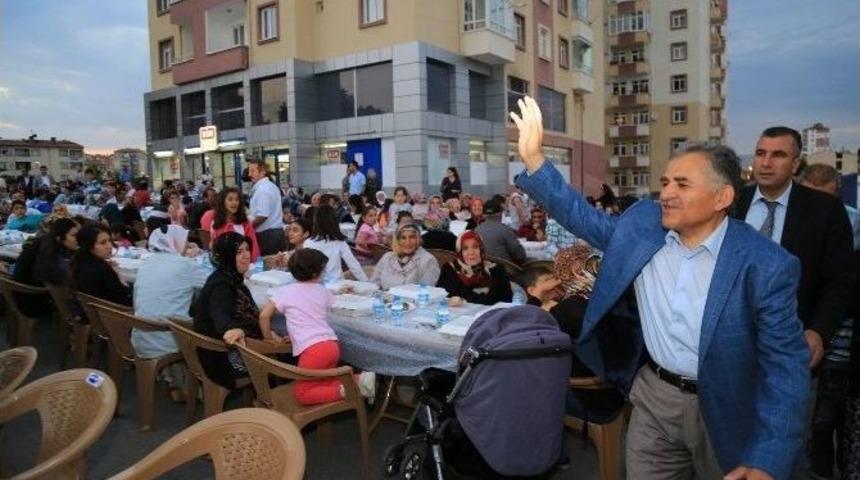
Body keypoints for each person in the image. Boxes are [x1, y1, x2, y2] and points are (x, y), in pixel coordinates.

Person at [511, 96, 809, 479]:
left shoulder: (766, 264)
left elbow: (786, 368)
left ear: (722, 197)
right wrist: (535, 159)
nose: (666, 193)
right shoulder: (643, 227)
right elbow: (582, 216)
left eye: (682, 184)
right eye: (666, 182)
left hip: (727, 402)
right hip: (653, 396)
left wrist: (768, 459)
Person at [734, 127, 854, 374]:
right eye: (760, 153)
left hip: (793, 346)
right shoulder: (732, 203)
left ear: (795, 164)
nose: (766, 163)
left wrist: (818, 331)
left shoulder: (826, 209)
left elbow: (840, 280)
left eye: (778, 155)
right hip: (732, 344)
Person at [797, 163, 859, 478]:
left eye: (827, 200)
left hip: (845, 353)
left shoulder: (853, 223)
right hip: (810, 354)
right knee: (816, 431)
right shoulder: (793, 223)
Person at [259, 248, 375, 405]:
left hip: (313, 351)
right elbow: (316, 312)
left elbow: (264, 316)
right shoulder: (323, 291)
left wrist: (269, 339)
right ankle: (360, 380)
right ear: (315, 273)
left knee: (303, 393)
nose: (325, 273)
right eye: (323, 270)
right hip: (331, 345)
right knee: (322, 381)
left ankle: (347, 390)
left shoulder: (283, 292)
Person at [133, 224, 208, 401]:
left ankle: (172, 381)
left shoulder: (147, 262)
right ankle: (195, 385)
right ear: (176, 242)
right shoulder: (185, 265)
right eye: (185, 241)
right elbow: (211, 284)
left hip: (140, 336)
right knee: (207, 321)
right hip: (169, 338)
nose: (187, 245)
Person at [193, 233, 262, 389]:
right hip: (223, 359)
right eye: (239, 252)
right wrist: (232, 328)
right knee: (289, 356)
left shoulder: (224, 276)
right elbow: (220, 314)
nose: (247, 256)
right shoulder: (222, 286)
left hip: (214, 352)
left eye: (247, 249)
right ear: (227, 256)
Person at [436, 231, 512, 306]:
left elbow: (507, 300)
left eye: (475, 247)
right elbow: (439, 296)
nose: (471, 252)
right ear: (460, 252)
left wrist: (465, 298)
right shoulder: (449, 269)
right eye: (465, 248)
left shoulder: (496, 269)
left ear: (481, 249)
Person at [303, 205, 368, 283]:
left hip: (317, 285)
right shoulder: (340, 243)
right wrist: (367, 282)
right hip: (337, 285)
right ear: (335, 222)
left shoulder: (308, 243)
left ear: (315, 222)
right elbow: (354, 265)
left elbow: (306, 269)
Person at [72, 223, 132, 306]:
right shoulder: (100, 269)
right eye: (103, 243)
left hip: (99, 310)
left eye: (109, 241)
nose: (110, 246)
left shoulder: (80, 263)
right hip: (118, 311)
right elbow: (125, 298)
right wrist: (119, 276)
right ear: (89, 247)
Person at [371, 223, 440, 289]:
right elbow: (374, 284)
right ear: (397, 241)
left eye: (412, 237)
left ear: (418, 240)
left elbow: (426, 291)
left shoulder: (428, 260)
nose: (408, 242)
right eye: (403, 238)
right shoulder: (387, 257)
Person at [203, 187, 260, 261]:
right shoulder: (215, 223)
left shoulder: (245, 223)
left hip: (243, 263)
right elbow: (213, 246)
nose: (234, 203)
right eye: (230, 199)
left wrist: (252, 263)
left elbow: (254, 248)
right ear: (223, 202)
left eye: (237, 200)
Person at [247, 159, 285, 256]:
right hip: (273, 234)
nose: (249, 174)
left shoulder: (263, 189)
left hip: (267, 236)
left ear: (262, 172)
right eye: (249, 171)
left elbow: (262, 216)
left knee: (267, 263)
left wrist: (248, 227)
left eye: (253, 171)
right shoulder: (270, 186)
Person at [474, 197, 527, 264]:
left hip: (484, 267)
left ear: (483, 215)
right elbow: (520, 255)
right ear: (501, 214)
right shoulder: (505, 230)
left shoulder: (476, 230)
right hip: (506, 268)